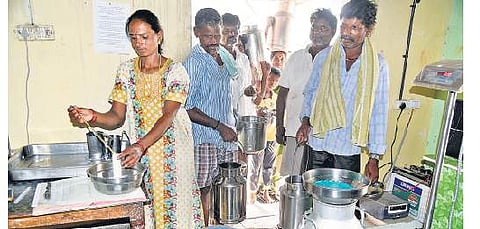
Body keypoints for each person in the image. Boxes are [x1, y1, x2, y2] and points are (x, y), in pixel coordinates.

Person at [67, 9, 203, 228]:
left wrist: (141, 145)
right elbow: (116, 118)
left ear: (159, 36)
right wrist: (92, 116)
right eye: (133, 37)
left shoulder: (175, 71)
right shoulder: (126, 71)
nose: (138, 42)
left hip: (173, 155)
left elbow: (168, 116)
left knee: (176, 212)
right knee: (148, 210)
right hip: (141, 155)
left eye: (144, 36)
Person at [296, 0, 389, 183]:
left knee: (341, 206)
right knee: (311, 201)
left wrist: (374, 157)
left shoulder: (378, 66)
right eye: (344, 26)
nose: (346, 33)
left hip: (347, 150)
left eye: (354, 27)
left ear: (368, 30)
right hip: (318, 145)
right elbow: (310, 93)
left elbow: (379, 111)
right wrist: (305, 122)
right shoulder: (324, 57)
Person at [183, 8, 242, 226]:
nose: (213, 41)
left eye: (217, 35)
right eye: (208, 36)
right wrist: (219, 126)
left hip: (226, 137)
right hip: (205, 139)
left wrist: (230, 124)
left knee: (226, 186)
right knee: (204, 189)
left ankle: (220, 224)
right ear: (196, 32)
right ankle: (203, 225)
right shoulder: (193, 63)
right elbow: (187, 108)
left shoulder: (224, 57)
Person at [276, 8, 337, 176]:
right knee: (291, 178)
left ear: (333, 31)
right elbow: (282, 94)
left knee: (308, 179)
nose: (317, 32)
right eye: (314, 27)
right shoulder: (296, 57)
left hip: (318, 135)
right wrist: (280, 126)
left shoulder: (335, 60)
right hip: (291, 131)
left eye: (323, 28)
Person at [248, 66, 281, 204]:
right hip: (258, 137)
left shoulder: (277, 98)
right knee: (255, 166)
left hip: (271, 138)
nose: (272, 82)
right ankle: (252, 192)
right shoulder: (257, 95)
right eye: (270, 79)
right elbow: (252, 107)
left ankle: (266, 190)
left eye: (275, 81)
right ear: (265, 78)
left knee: (269, 165)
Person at [220, 13, 257, 118]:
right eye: (226, 31)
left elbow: (246, 85)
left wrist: (250, 90)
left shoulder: (243, 59)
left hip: (242, 114)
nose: (232, 34)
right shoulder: (215, 57)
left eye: (235, 31)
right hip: (221, 117)